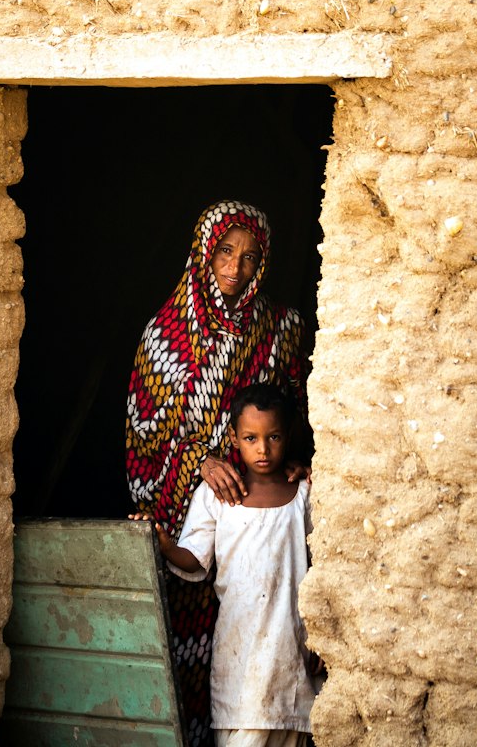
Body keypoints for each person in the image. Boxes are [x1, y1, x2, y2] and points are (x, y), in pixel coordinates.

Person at [125, 200, 308, 747]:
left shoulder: (281, 330)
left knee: (267, 650)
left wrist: (293, 457)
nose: (236, 268)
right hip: (197, 526)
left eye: (251, 258)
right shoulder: (166, 336)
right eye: (225, 251)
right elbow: (143, 439)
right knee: (195, 673)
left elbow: (295, 410)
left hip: (266, 525)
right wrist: (199, 462)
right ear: (204, 251)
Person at [132, 384, 321, 747]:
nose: (263, 449)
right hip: (239, 663)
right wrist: (165, 546)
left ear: (290, 435)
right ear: (233, 438)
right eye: (251, 438)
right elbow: (194, 559)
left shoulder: (305, 494)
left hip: (292, 661)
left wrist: (324, 640)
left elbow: (328, 566)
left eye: (274, 436)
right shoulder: (216, 497)